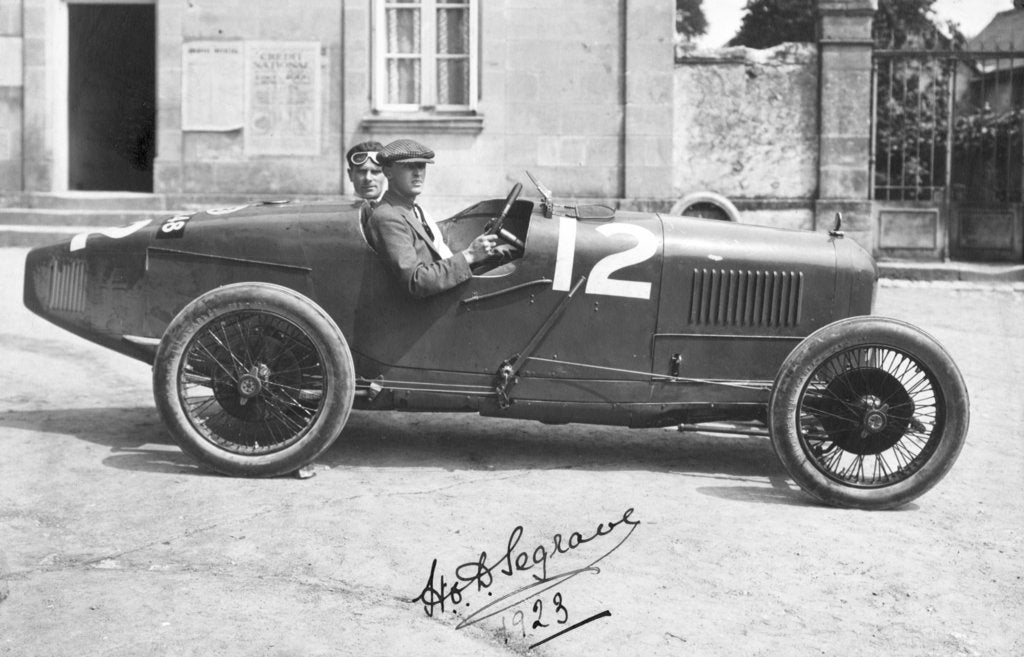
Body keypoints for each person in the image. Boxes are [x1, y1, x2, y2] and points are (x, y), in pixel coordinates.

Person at [365, 139, 498, 298]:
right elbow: (415, 281)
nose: (418, 173)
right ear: (388, 172)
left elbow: (437, 258)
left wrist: (479, 254)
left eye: (421, 166)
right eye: (408, 166)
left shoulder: (413, 209)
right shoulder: (388, 217)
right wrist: (469, 255)